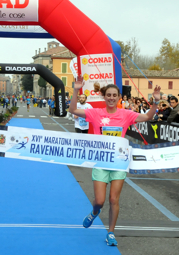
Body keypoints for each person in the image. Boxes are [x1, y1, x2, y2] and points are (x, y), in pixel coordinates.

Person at [69, 77, 161, 247]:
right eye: (108, 95)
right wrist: (76, 90)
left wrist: (155, 101)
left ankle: (110, 233)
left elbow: (148, 116)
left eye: (114, 95)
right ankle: (95, 212)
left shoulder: (126, 114)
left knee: (113, 199)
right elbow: (73, 109)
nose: (111, 98)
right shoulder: (95, 113)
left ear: (119, 97)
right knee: (99, 201)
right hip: (101, 162)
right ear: (104, 97)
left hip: (118, 162)